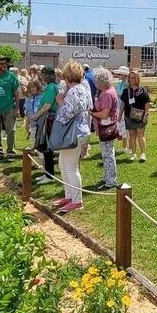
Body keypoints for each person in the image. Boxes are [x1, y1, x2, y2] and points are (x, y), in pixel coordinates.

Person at [52, 61, 92, 214]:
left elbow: (67, 113)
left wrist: (60, 102)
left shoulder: (74, 91)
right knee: (63, 164)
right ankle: (69, 195)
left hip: (73, 133)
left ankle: (76, 200)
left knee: (70, 167)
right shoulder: (83, 88)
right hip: (81, 131)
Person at [90, 67, 121, 191]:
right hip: (107, 126)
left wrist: (92, 113)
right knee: (107, 153)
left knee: (108, 155)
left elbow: (104, 114)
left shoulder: (107, 93)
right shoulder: (109, 90)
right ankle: (107, 176)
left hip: (107, 127)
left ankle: (111, 180)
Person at [31, 66, 60, 185]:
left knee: (46, 147)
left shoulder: (51, 87)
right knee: (44, 147)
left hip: (48, 119)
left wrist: (36, 116)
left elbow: (47, 105)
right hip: (46, 118)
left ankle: (49, 175)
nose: (40, 77)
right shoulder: (49, 87)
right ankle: (46, 173)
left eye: (42, 75)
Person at [120, 69, 150, 162]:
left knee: (141, 134)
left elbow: (147, 103)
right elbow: (123, 103)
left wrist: (146, 114)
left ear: (137, 78)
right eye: (130, 78)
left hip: (140, 116)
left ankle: (143, 154)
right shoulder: (126, 91)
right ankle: (133, 154)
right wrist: (120, 114)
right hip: (129, 115)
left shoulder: (142, 90)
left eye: (134, 78)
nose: (132, 80)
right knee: (132, 135)